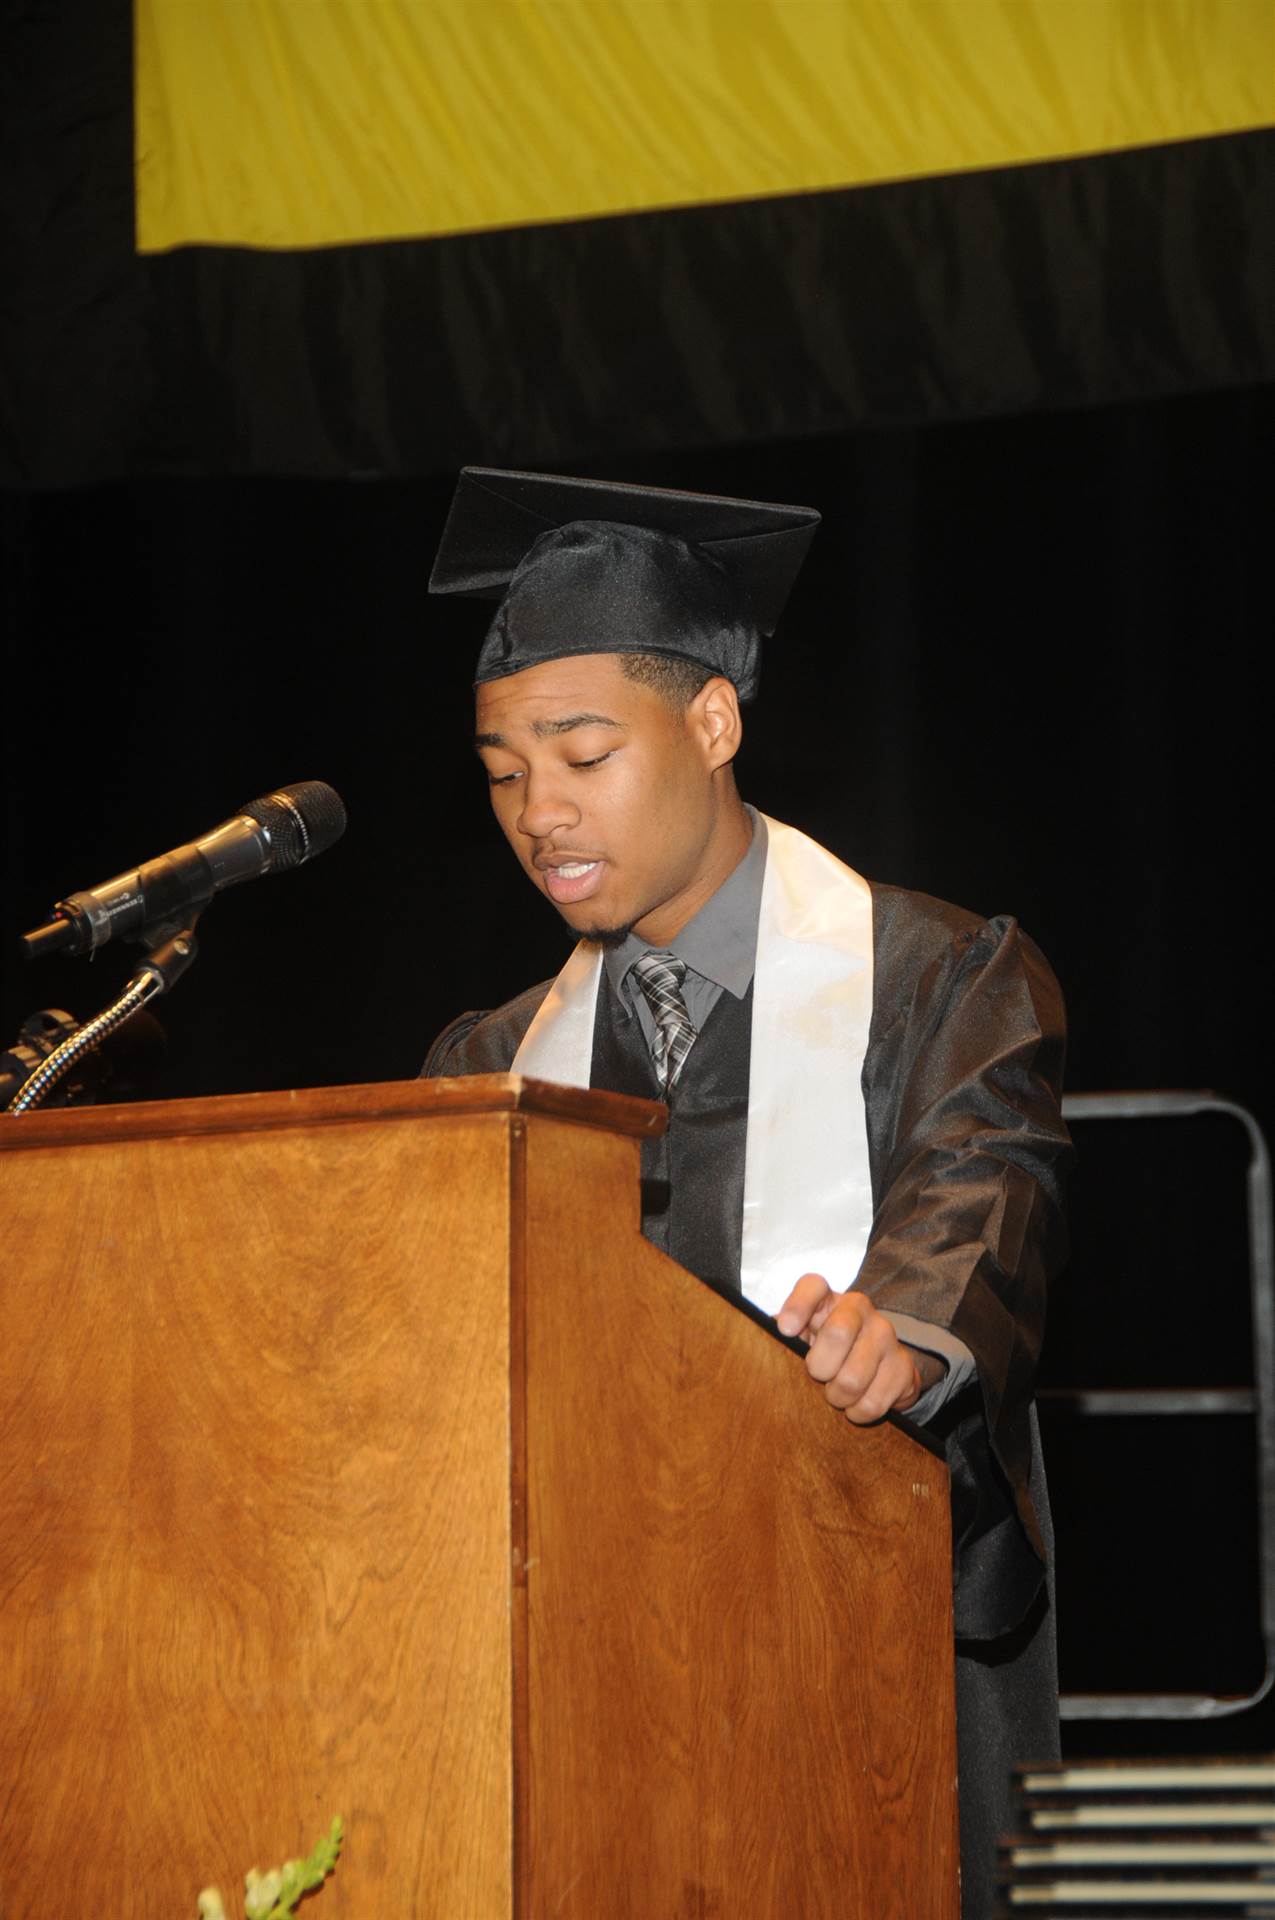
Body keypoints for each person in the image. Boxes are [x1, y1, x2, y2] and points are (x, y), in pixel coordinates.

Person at [423, 466, 1071, 1920]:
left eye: (582, 751)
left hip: (872, 1623)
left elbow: (987, 1183)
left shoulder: (938, 976)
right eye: (503, 770)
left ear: (713, 721)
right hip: (587, 1657)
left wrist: (901, 1332)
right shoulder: (490, 1060)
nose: (540, 811)